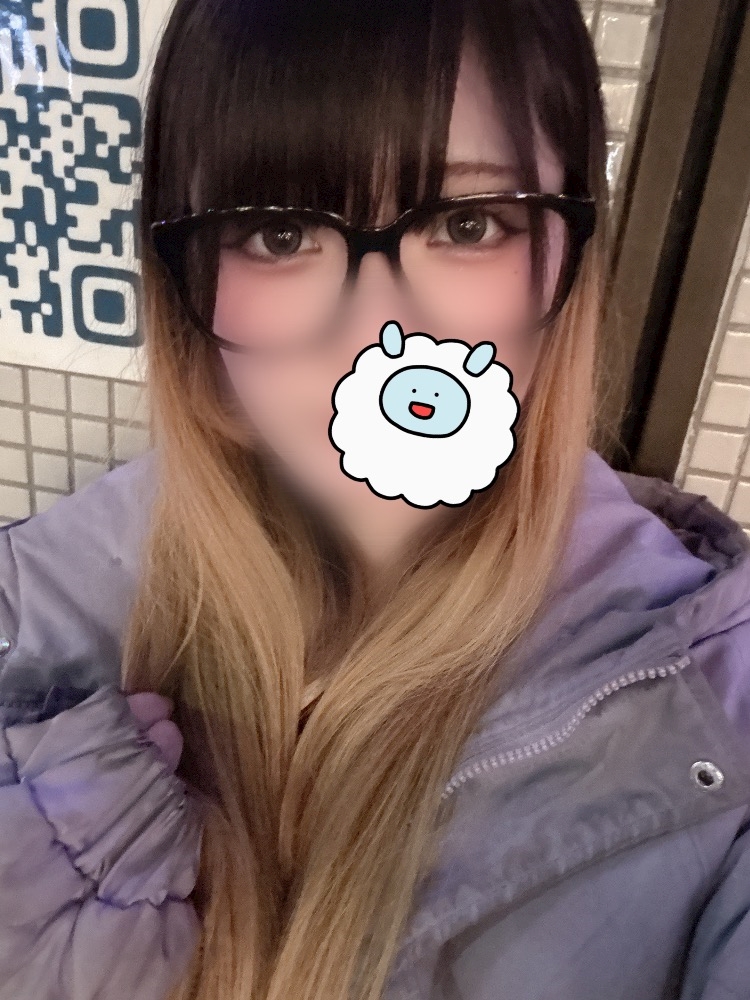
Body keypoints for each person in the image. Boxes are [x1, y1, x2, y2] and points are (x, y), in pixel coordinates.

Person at [1, 1, 750, 999]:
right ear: (185, 280)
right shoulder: (40, 611)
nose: (378, 334)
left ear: (571, 253)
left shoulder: (720, 729)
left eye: (467, 224)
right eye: (277, 233)